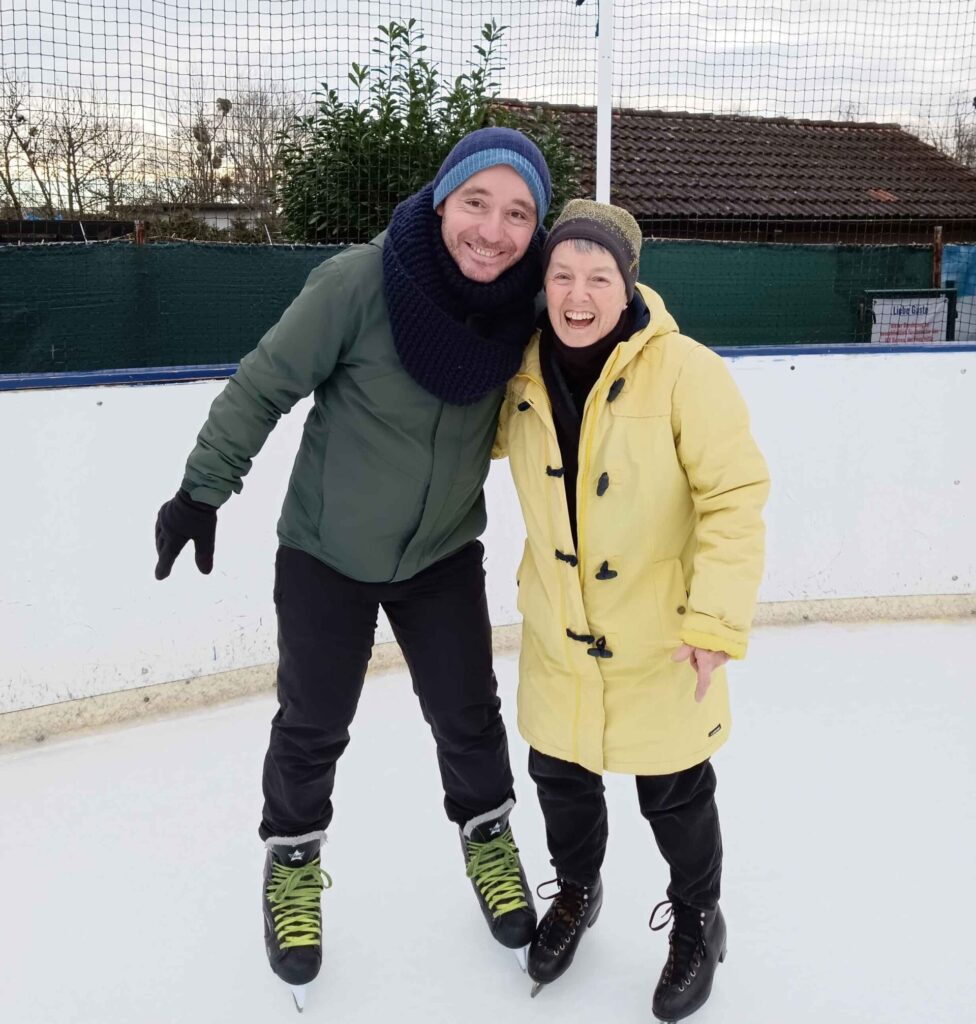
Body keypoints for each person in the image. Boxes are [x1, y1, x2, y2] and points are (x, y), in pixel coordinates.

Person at [152, 127, 552, 1005]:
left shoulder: (529, 303)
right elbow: (265, 383)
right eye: (477, 203)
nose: (493, 230)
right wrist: (201, 492)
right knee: (313, 721)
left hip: (442, 552)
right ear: (443, 198)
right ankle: (292, 860)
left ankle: (488, 839)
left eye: (519, 212)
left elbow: (608, 317)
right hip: (327, 553)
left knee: (469, 716)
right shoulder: (360, 282)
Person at [493, 200, 770, 1021]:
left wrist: (715, 623)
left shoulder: (686, 370)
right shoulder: (518, 370)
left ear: (628, 286)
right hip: (558, 629)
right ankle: (577, 892)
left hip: (661, 636)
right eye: (563, 275)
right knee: (560, 779)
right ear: (543, 285)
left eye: (599, 277)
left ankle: (697, 921)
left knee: (675, 792)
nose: (579, 295)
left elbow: (734, 497)